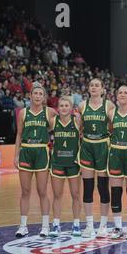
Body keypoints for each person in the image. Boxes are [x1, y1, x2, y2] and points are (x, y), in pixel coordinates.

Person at [14, 82, 57, 238]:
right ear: (30, 96)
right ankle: (23, 226)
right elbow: (19, 134)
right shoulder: (23, 113)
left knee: (42, 191)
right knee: (25, 191)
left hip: (41, 152)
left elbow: (64, 120)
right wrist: (16, 154)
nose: (38, 96)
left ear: (44, 97)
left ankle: (45, 226)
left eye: (41, 94)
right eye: (35, 93)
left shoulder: (50, 112)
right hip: (26, 151)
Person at [78, 78, 115, 238]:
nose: (94, 87)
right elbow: (78, 127)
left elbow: (114, 127)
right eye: (91, 85)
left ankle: (103, 225)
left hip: (102, 146)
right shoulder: (81, 106)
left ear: (102, 89)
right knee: (87, 187)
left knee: (102, 187)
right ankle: (89, 225)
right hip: (87, 146)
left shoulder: (109, 106)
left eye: (97, 85)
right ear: (88, 88)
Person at [107, 86, 127, 240]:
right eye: (120, 92)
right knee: (116, 190)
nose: (122, 94)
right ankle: (118, 226)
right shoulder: (112, 113)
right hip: (116, 152)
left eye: (125, 92)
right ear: (116, 95)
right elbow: (109, 130)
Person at [49, 96, 82, 237]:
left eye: (66, 105)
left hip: (73, 163)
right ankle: (56, 224)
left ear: (71, 107)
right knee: (57, 195)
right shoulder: (52, 121)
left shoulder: (77, 121)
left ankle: (76, 224)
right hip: (57, 162)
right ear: (58, 108)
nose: (63, 108)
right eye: (61, 105)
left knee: (75, 195)